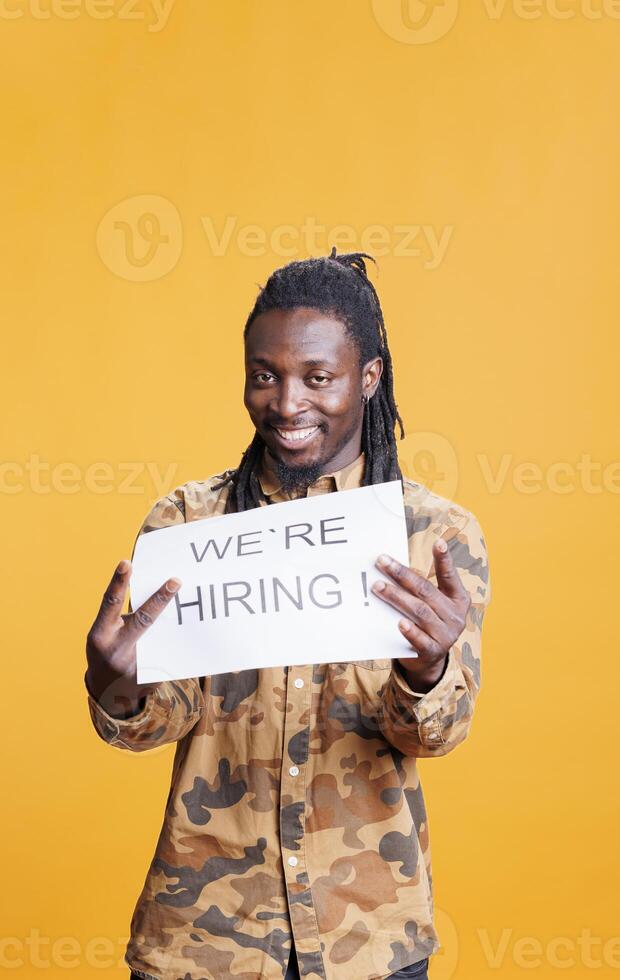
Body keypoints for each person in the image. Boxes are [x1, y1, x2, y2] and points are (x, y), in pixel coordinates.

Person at [84, 250, 491, 980]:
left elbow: (435, 735)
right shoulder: (189, 523)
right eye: (264, 375)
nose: (286, 402)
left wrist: (428, 669)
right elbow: (156, 722)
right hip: (203, 942)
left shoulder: (433, 535)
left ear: (368, 377)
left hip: (368, 937)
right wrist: (117, 684)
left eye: (317, 377)